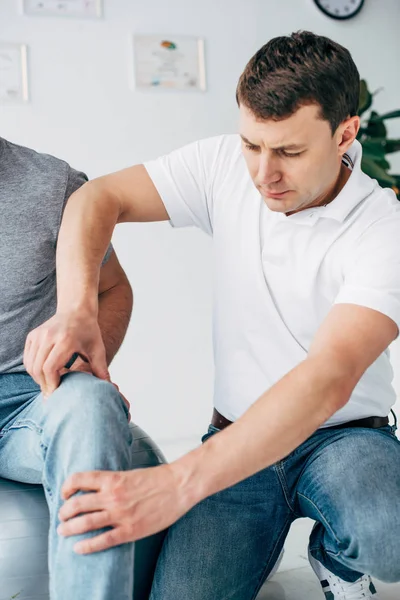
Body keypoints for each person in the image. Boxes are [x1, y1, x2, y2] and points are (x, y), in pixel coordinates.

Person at [25, 31, 400, 600]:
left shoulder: (382, 228)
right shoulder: (224, 165)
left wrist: (176, 484)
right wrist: (77, 310)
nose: (263, 174)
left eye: (290, 153)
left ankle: (340, 561)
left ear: (346, 133)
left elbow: (328, 378)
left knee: (388, 538)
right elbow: (96, 198)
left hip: (344, 441)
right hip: (236, 442)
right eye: (252, 144)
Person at [0, 137, 138, 600]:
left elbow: (113, 289)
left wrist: (81, 361)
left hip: (33, 397)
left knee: (94, 402)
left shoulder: (54, 186)